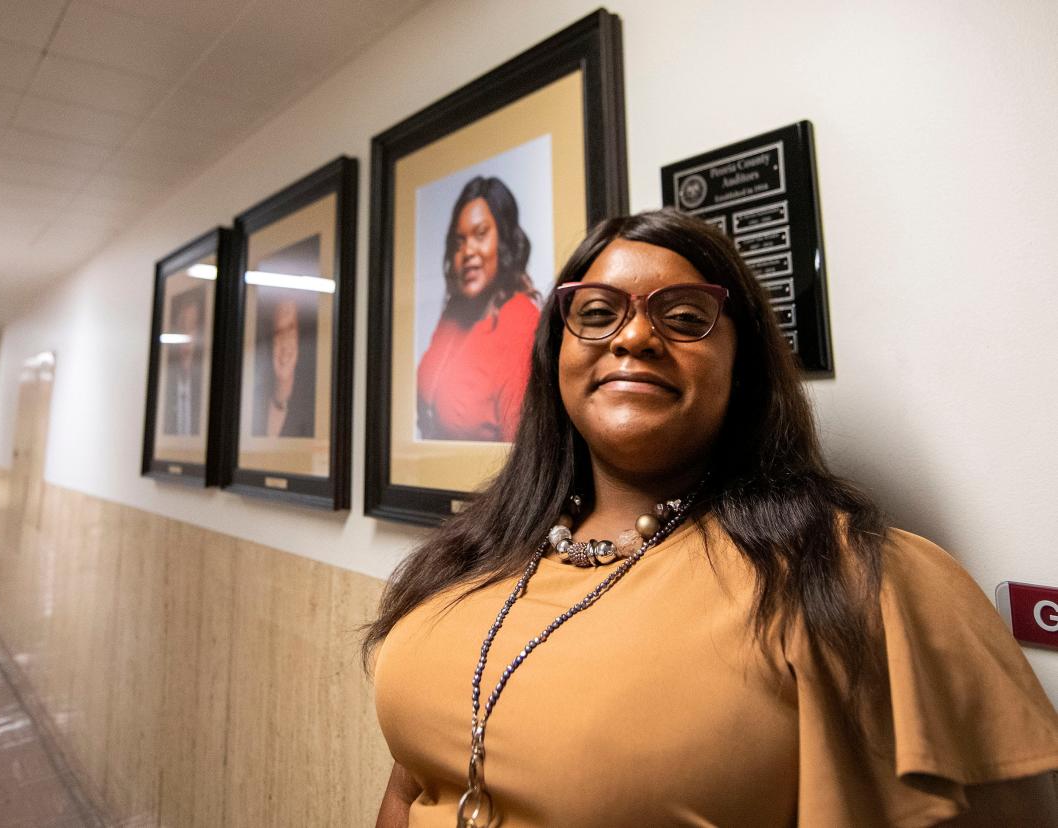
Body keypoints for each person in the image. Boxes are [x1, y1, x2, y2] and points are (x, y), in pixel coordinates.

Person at [369, 209, 1058, 826]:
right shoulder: (473, 550)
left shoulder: (865, 581)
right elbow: (413, 788)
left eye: (685, 315)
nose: (634, 336)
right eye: (599, 312)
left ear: (742, 364)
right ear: (558, 356)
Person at [417, 176, 542, 442]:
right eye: (459, 241)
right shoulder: (454, 315)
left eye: (480, 234)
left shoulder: (521, 321)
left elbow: (519, 453)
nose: (468, 251)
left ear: (505, 241)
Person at [251, 289, 316, 438]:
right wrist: (282, 382)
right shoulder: (258, 381)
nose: (285, 343)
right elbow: (268, 439)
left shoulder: (315, 379)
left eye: (291, 329)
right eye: (279, 333)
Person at [163, 287, 204, 436]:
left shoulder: (202, 382)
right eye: (183, 326)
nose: (187, 334)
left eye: (192, 326)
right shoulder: (167, 381)